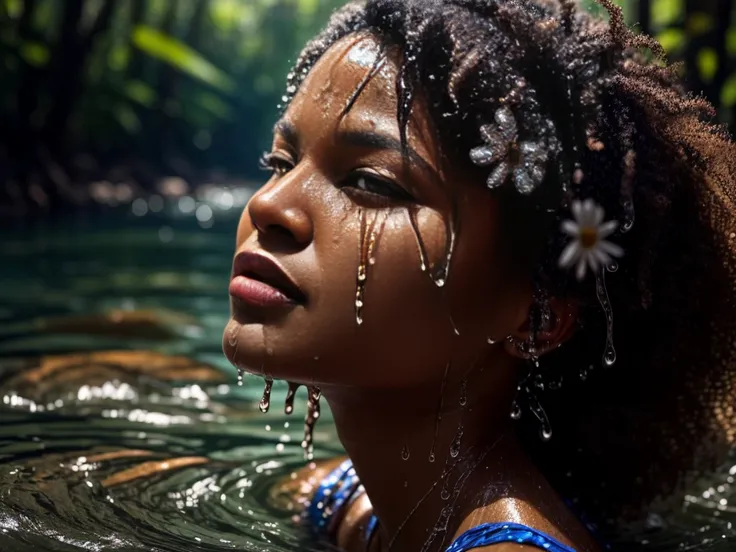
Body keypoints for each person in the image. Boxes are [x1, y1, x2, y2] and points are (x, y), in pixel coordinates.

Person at [222, 0, 736, 550]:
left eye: (372, 183)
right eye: (280, 162)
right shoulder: (360, 507)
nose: (270, 205)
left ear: (538, 318)